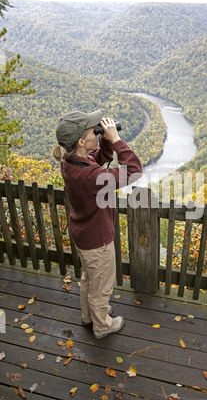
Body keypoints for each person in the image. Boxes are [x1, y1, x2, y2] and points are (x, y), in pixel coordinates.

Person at [53, 109, 142, 339]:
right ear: (82, 141)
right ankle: (102, 324)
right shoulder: (90, 176)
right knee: (101, 286)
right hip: (97, 239)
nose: (98, 131)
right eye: (95, 131)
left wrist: (105, 144)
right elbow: (133, 172)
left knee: (89, 279)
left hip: (83, 235)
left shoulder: (70, 161)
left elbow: (97, 161)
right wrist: (117, 140)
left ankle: (88, 315)